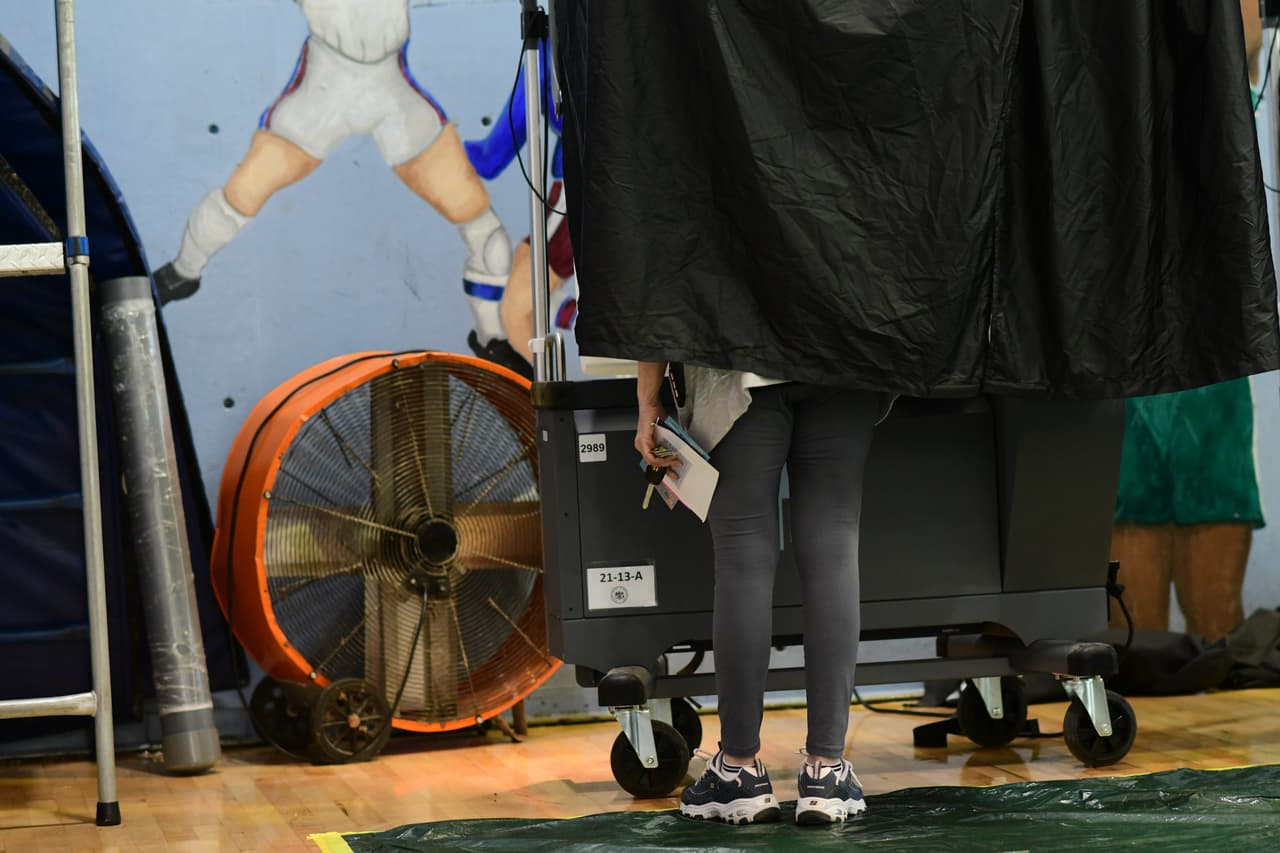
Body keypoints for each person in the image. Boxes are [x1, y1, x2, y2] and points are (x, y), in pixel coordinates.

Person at [153, 0, 530, 376]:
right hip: (325, 85)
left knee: (483, 228)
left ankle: (490, 336)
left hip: (390, 90)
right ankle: (182, 273)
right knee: (242, 193)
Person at [635, 362, 880, 825]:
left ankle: (738, 771)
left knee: (742, 558)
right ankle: (826, 773)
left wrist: (649, 402)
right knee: (834, 547)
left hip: (738, 371)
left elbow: (656, 295)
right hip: (843, 357)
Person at [1109, 1, 1267, 643]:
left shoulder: (1218, 83)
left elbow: (1244, 36)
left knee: (1216, 622)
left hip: (1209, 337)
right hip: (1119, 332)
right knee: (1132, 629)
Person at [465, 40, 577, 375]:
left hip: (578, 188)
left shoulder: (552, 39)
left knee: (514, 310)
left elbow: (518, 116)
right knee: (531, 284)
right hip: (589, 184)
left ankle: (544, 414)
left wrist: (482, 156)